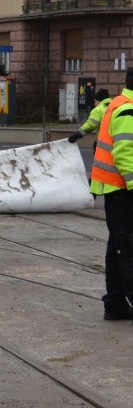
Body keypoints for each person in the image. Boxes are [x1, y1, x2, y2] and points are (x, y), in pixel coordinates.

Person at [90, 68, 133, 321]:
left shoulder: (118, 103)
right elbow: (125, 153)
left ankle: (115, 304)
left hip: (114, 190)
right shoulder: (128, 109)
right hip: (123, 191)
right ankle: (117, 303)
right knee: (128, 250)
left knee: (118, 250)